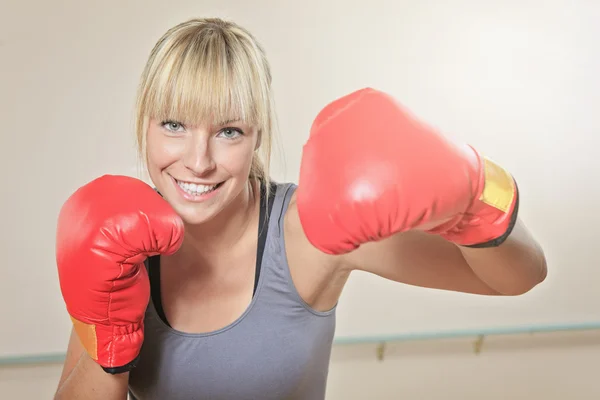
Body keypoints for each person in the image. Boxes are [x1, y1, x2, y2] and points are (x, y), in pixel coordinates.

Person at [53, 17, 547, 400]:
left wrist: (478, 196)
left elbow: (516, 277)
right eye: (174, 126)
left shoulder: (302, 231)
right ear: (145, 125)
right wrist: (108, 344)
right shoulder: (119, 239)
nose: (198, 162)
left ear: (257, 138)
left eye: (228, 131)